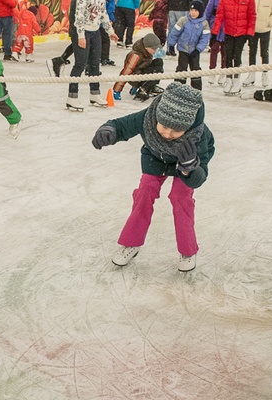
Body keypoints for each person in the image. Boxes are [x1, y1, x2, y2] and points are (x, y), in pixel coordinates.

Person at [92, 82, 215, 273]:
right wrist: (109, 131)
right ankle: (131, 243)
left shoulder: (199, 136)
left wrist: (190, 168)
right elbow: (121, 125)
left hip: (185, 163)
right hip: (155, 158)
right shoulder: (148, 117)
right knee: (144, 193)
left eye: (176, 131)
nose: (167, 134)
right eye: (164, 127)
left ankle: (188, 250)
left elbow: (200, 177)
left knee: (181, 198)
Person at [67, 0, 113, 111]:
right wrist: (80, 35)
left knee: (95, 64)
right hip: (83, 31)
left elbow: (102, 12)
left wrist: (110, 30)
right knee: (80, 64)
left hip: (95, 32)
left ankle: (95, 93)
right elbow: (79, 14)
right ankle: (72, 97)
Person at [212, 0, 256, 96]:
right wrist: (215, 32)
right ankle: (229, 79)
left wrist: (250, 32)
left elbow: (252, 17)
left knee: (237, 56)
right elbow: (219, 16)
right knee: (227, 56)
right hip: (229, 32)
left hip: (241, 34)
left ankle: (236, 80)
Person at [48, 0, 89, 78]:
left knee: (78, 44)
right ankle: (60, 61)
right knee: (81, 45)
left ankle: (62, 60)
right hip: (80, 21)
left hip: (76, 20)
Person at [168, 0, 210, 90]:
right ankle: (178, 88)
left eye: (196, 11)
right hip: (183, 49)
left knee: (195, 69)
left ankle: (196, 90)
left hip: (195, 51)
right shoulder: (184, 20)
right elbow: (175, 32)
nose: (193, 13)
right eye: (191, 11)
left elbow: (205, 39)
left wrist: (198, 49)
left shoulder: (204, 23)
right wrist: (171, 45)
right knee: (181, 69)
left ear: (200, 12)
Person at [112, 33, 164, 101]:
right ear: (146, 47)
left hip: (141, 74)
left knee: (158, 62)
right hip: (135, 78)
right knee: (153, 70)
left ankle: (150, 87)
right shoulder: (136, 55)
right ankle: (142, 90)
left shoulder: (147, 52)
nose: (155, 51)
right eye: (153, 49)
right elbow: (126, 71)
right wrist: (117, 90)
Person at [204, 0, 233, 84]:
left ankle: (223, 72)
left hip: (227, 27)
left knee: (225, 51)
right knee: (214, 49)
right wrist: (205, 23)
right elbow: (208, 10)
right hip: (216, 26)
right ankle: (212, 71)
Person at [101, 0, 118, 66]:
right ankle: (104, 58)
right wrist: (113, 20)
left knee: (99, 41)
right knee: (106, 42)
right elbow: (110, 11)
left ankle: (98, 57)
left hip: (98, 23)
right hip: (105, 24)